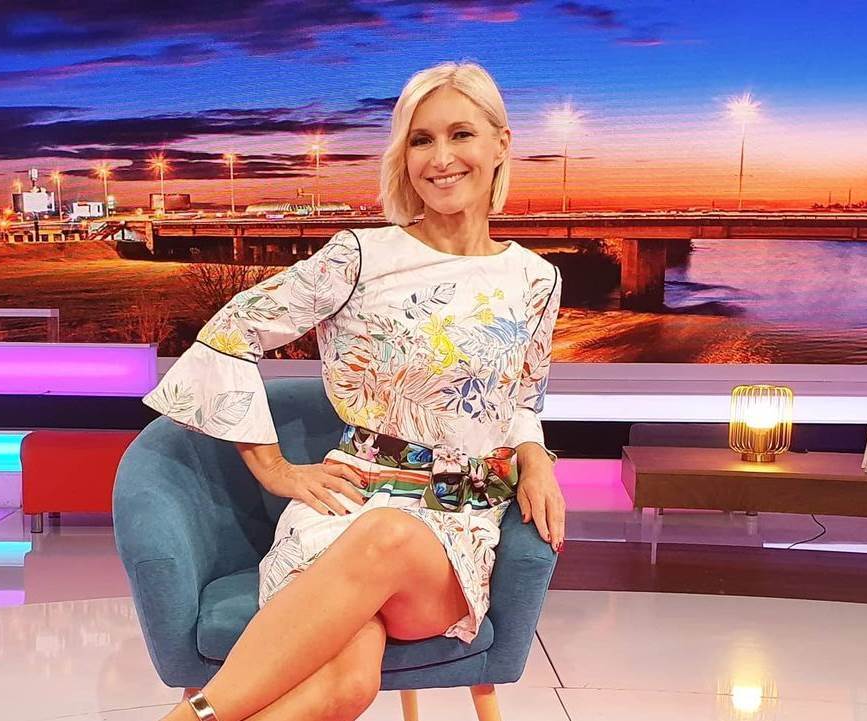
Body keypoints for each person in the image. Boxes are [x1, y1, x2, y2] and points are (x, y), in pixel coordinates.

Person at [145, 60, 566, 721]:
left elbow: (520, 399)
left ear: (499, 145)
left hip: (454, 525)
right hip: (343, 507)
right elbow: (229, 332)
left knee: (388, 535)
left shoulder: (536, 278)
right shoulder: (361, 255)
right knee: (346, 684)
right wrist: (276, 469)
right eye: (421, 140)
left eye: (460, 134)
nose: (441, 157)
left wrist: (536, 458)